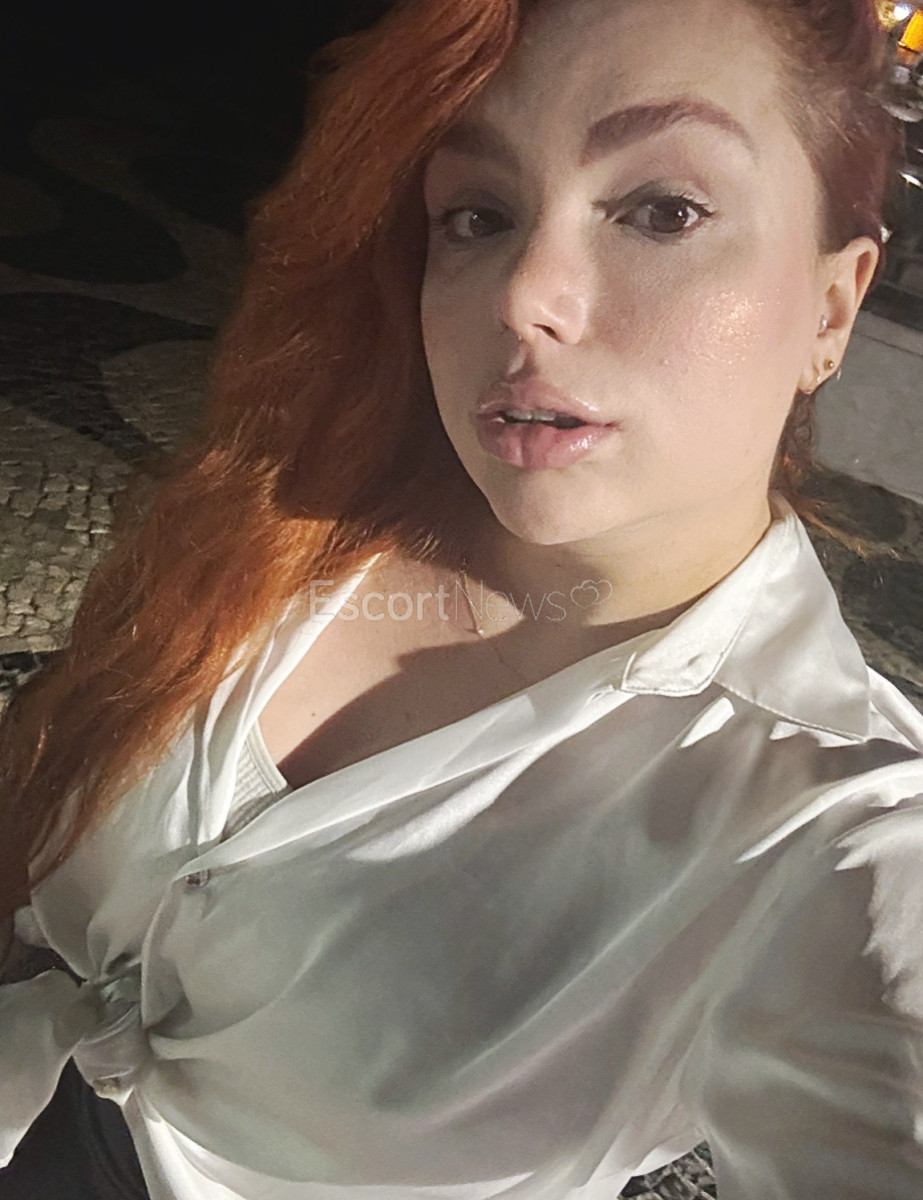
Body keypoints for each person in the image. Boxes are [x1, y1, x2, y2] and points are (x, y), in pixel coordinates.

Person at [1, 0, 921, 1196]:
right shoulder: (304, 504)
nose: (522, 294)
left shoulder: (830, 820)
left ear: (830, 308)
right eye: (477, 215)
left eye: (663, 210)